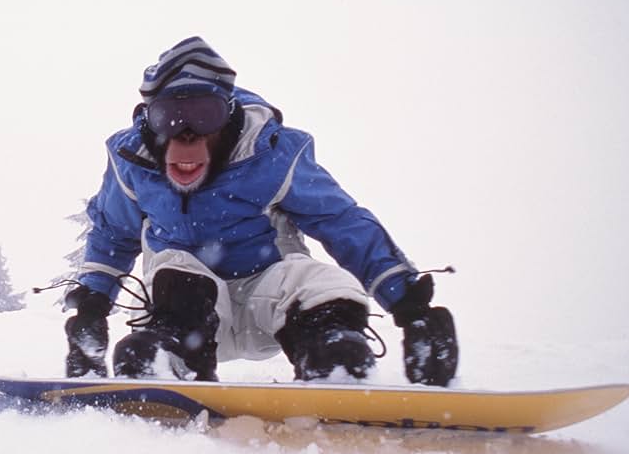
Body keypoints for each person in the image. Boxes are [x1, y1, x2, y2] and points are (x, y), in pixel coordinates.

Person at [63, 36, 458, 386]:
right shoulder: (134, 164)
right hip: (186, 314)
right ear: (150, 118)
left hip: (271, 303)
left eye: (205, 116)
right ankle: (167, 357)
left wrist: (410, 306)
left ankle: (331, 352)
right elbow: (113, 234)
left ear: (227, 114)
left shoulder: (270, 156)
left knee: (320, 281)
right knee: (175, 268)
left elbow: (341, 223)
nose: (187, 134)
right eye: (170, 118)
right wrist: (91, 309)